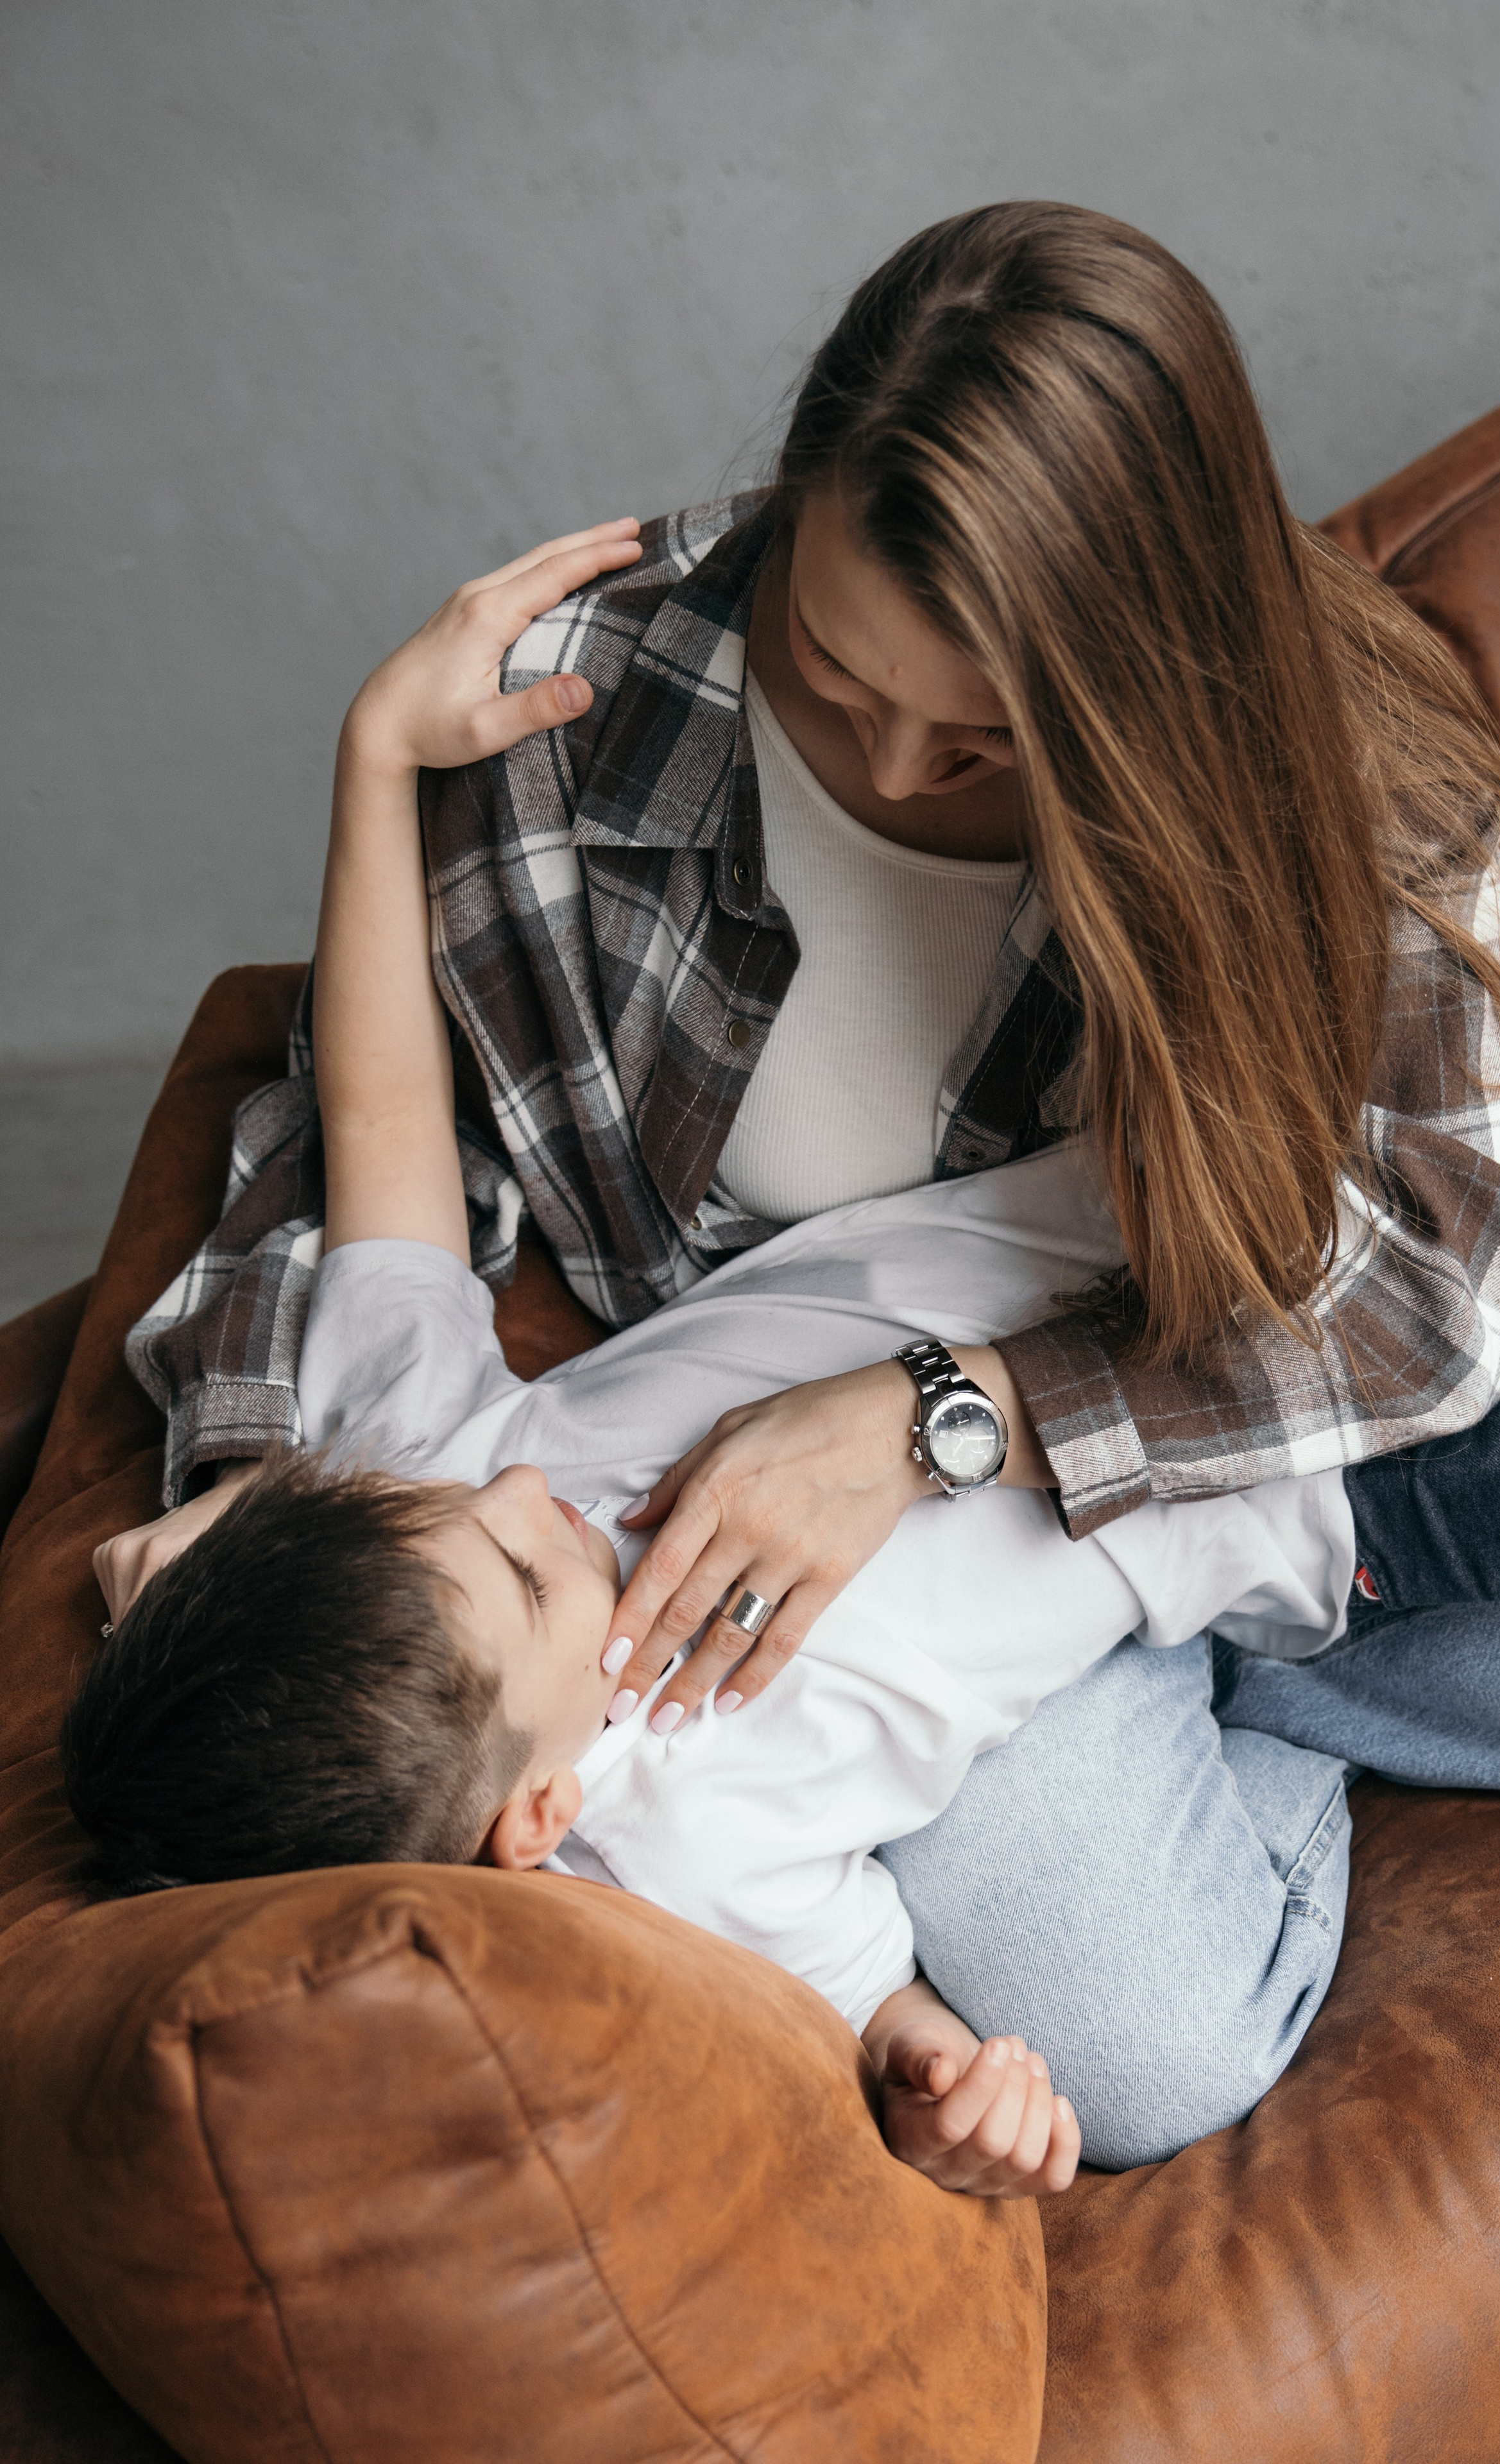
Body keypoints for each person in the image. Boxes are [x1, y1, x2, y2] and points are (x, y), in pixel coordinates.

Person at [112, 203, 1500, 2164]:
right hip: (1251, 1549)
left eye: (994, 736)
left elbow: (1429, 1293)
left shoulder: (1343, 786)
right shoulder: (596, 703)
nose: (904, 770)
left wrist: (942, 1419)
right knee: (1150, 2055)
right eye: (830, 683)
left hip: (1315, 1345)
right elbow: (340, 1126)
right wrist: (249, 1523)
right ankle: (1286, 1701)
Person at [69, 527, 1374, 2198]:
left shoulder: (422, 1473)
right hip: (1278, 1528)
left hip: (1176, 1252)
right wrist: (940, 2091)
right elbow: (870, 2004)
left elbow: (382, 1114)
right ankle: (1320, 1738)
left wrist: (373, 759)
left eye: (469, 1510)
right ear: (531, 1825)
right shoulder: (685, 1862)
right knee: (1183, 2045)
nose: (530, 1493)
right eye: (530, 1577)